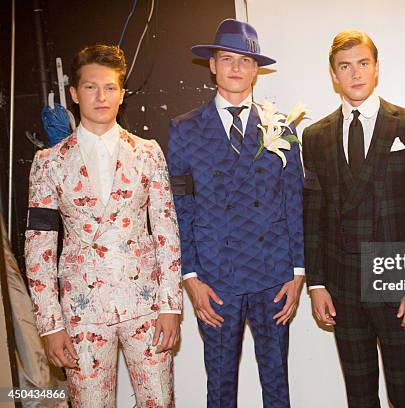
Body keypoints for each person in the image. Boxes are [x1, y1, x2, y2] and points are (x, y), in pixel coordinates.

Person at [24, 44, 182, 407]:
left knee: (159, 401)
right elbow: (38, 247)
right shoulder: (48, 162)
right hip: (81, 313)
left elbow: (166, 230)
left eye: (110, 87)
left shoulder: (148, 152)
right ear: (75, 94)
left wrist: (170, 306)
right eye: (92, 87)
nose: (101, 96)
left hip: (146, 306)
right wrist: (51, 324)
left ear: (122, 94)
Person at [302, 29, 405, 407]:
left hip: (400, 281)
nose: (355, 74)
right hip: (341, 285)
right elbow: (313, 214)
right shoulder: (315, 136)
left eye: (363, 63)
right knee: (359, 395)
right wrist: (316, 284)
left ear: (376, 68)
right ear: (333, 74)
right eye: (345, 66)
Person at [167, 19, 304, 408]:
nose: (236, 68)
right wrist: (190, 277)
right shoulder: (184, 129)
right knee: (220, 385)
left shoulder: (281, 127)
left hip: (273, 275)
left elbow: (293, 200)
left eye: (245, 61)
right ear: (212, 65)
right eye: (227, 59)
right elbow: (182, 208)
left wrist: (298, 273)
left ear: (256, 69)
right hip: (216, 279)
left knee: (277, 383)